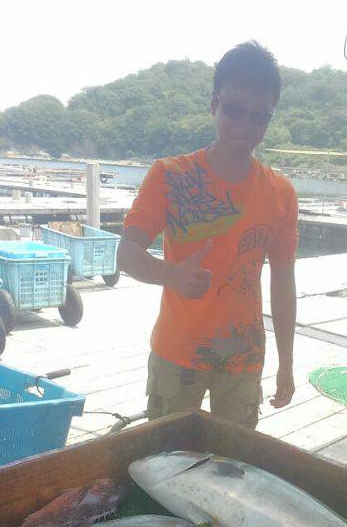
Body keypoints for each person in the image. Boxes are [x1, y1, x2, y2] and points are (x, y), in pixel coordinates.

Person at [118, 41, 298, 429]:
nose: (244, 126)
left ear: (268, 120)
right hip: (176, 354)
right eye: (234, 110)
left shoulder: (281, 193)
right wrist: (171, 274)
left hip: (244, 359)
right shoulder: (169, 176)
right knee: (166, 461)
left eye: (258, 117)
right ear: (214, 103)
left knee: (234, 469)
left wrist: (287, 363)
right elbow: (126, 253)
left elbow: (283, 281)